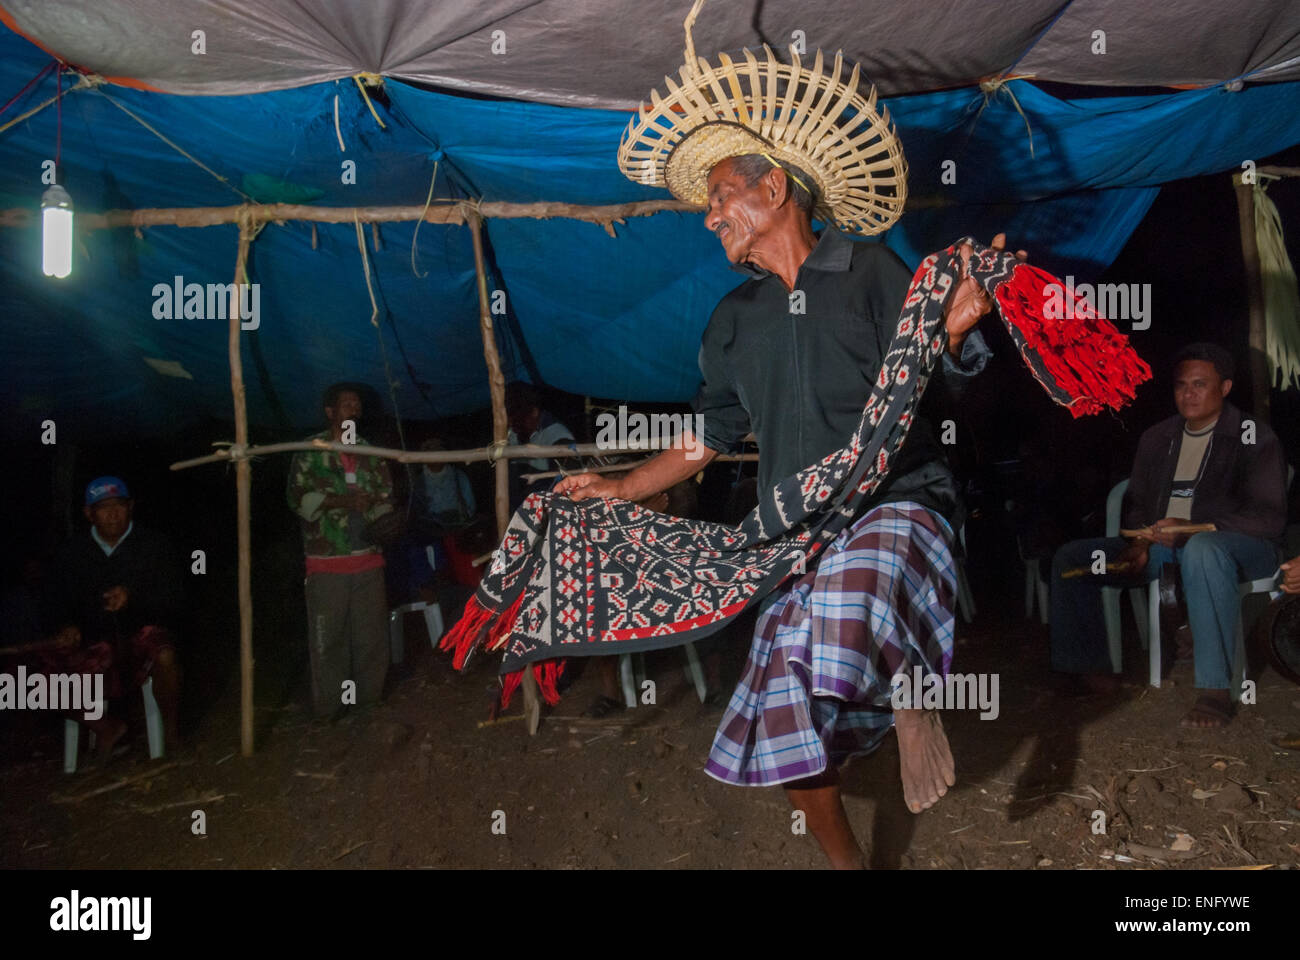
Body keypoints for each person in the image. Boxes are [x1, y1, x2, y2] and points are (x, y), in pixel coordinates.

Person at [558, 72, 1012, 862]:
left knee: (856, 586)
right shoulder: (735, 320)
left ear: (774, 187)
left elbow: (931, 391)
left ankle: (910, 687)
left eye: (720, 196)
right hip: (796, 528)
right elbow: (710, 432)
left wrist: (953, 337)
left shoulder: (873, 275)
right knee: (782, 708)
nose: (708, 218)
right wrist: (623, 484)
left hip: (898, 504)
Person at [1049, 343, 1288, 727]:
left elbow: (1267, 517)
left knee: (1204, 550)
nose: (1188, 394)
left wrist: (1193, 528)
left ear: (1224, 388)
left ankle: (1215, 690)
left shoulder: (1251, 436)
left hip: (1238, 547)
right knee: (1073, 560)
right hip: (1162, 548)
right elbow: (1140, 506)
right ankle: (1085, 668)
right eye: (1181, 386)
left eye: (1199, 384)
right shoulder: (1158, 438)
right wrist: (1141, 542)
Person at [47, 476, 185, 759]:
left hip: (139, 635)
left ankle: (171, 734)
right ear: (89, 513)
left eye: (119, 506)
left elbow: (176, 601)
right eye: (103, 507)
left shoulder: (154, 545)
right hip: (94, 641)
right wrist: (66, 625)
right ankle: (107, 726)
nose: (113, 514)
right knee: (35, 674)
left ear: (130, 507)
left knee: (166, 656)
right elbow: (54, 601)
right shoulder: (72, 553)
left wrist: (133, 597)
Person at [287, 383, 395, 720]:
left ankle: (367, 702)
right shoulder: (309, 449)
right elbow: (298, 499)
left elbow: (384, 497)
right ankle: (330, 709)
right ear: (330, 412)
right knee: (329, 639)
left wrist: (385, 519)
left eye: (356, 404)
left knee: (371, 636)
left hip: (367, 558)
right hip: (327, 561)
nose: (353, 409)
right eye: (345, 404)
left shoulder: (369, 452)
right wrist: (345, 501)